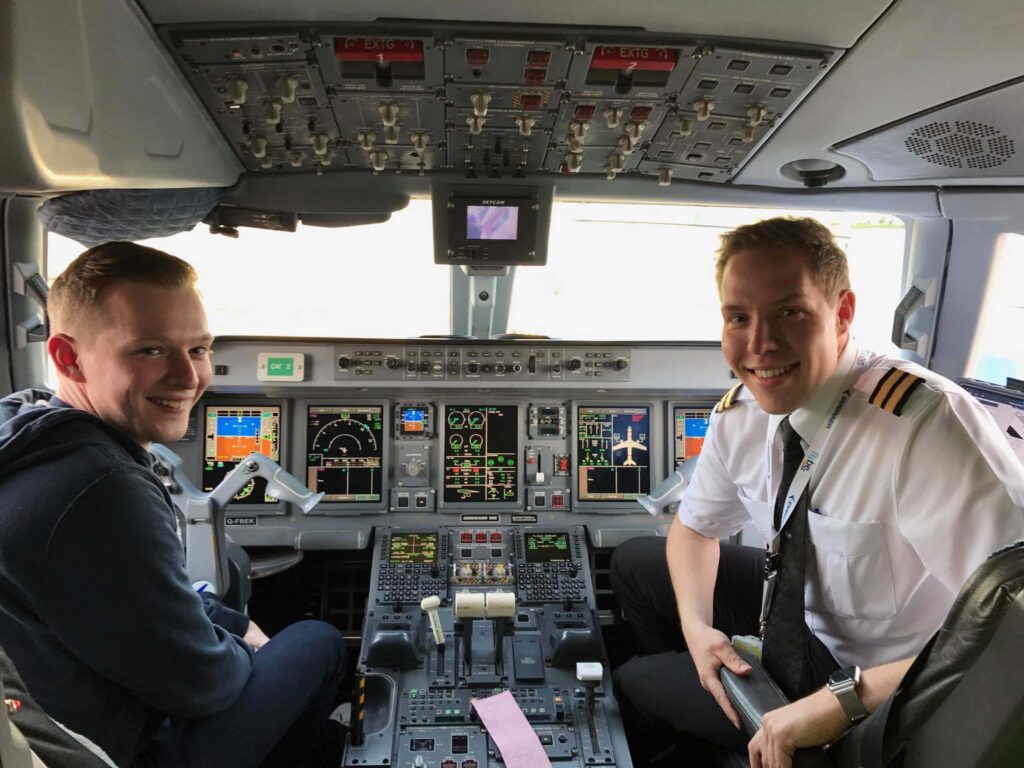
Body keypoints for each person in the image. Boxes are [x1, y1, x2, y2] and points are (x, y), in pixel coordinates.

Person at [610, 217, 1024, 768]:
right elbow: (692, 529)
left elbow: (1009, 633)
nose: (760, 344)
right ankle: (715, 715)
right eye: (739, 317)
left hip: (886, 688)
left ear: (843, 312)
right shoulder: (745, 410)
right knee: (636, 562)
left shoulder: (924, 425)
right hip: (802, 617)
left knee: (632, 681)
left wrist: (842, 701)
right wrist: (697, 631)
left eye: (790, 312)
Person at [0, 242, 346, 768]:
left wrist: (231, 626)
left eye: (200, 349)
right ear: (68, 357)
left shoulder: (28, 432)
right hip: (115, 751)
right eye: (150, 350)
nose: (188, 378)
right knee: (318, 642)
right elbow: (202, 686)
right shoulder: (98, 489)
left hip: (66, 708)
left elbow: (150, 597)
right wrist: (244, 647)